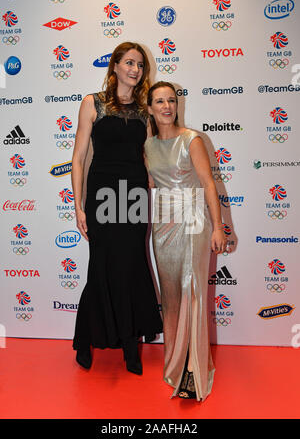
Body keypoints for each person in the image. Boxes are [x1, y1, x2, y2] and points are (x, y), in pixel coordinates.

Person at [71, 42, 163, 375]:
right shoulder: (92, 103)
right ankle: (85, 340)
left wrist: (154, 176)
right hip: (102, 195)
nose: (135, 69)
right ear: (115, 67)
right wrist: (78, 205)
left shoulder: (144, 108)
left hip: (134, 194)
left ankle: (130, 344)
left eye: (140, 64)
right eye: (129, 63)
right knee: (101, 265)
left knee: (132, 265)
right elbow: (79, 158)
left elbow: (148, 153)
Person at [144, 81, 227, 400]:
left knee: (193, 291)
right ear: (149, 108)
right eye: (159, 101)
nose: (166, 106)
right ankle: (175, 364)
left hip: (193, 221)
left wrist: (218, 226)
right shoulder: (148, 146)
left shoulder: (191, 140)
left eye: (171, 100)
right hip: (163, 224)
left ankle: (193, 370)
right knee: (172, 296)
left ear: (177, 105)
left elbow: (208, 184)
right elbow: (151, 182)